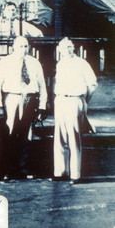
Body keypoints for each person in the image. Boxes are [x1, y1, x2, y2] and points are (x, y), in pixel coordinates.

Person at [0, 36, 47, 179]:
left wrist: (42, 106)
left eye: (26, 46)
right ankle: (8, 170)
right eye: (21, 46)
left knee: (27, 134)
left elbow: (42, 86)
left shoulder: (35, 62)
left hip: (30, 99)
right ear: (13, 47)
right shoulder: (4, 62)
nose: (24, 49)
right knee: (10, 132)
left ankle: (23, 168)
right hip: (12, 98)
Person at [52, 38, 97, 184]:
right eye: (65, 47)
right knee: (59, 137)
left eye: (71, 47)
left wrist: (84, 100)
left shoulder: (82, 63)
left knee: (74, 137)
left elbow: (92, 84)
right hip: (60, 100)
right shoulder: (60, 63)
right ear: (60, 49)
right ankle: (60, 172)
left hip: (75, 101)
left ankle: (75, 175)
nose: (69, 50)